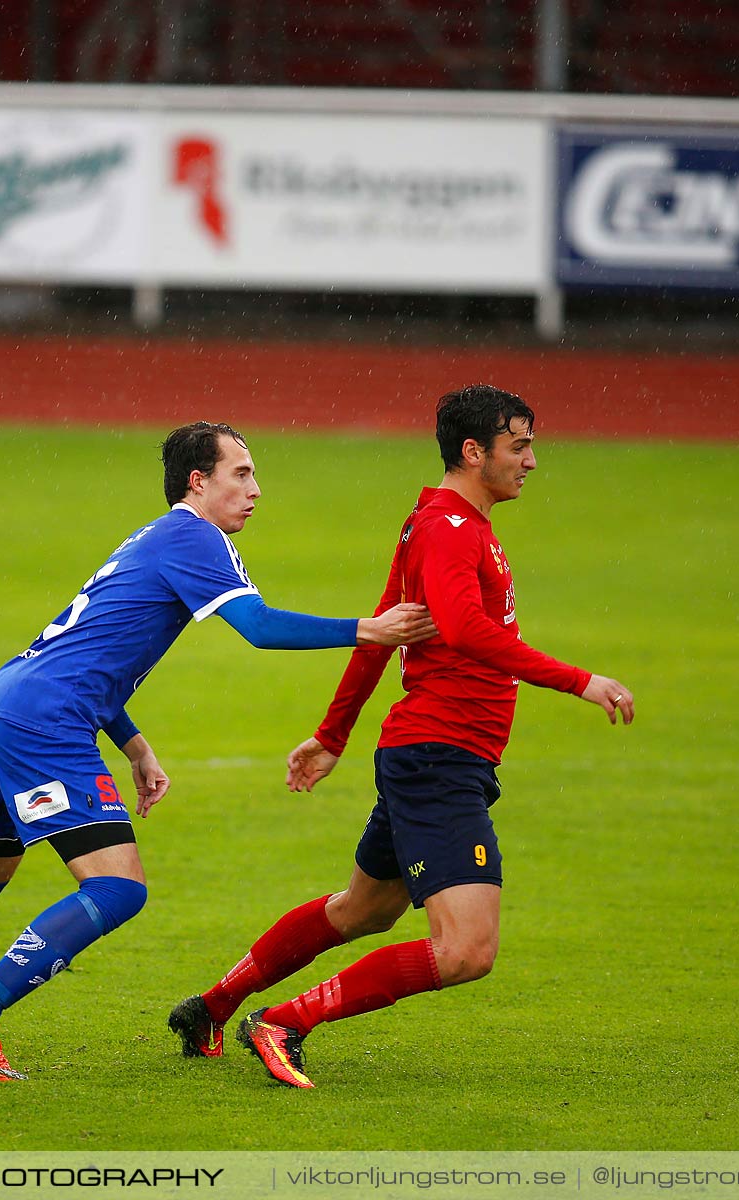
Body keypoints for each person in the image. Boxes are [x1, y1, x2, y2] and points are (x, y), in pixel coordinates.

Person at [0, 421, 436, 1081]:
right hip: (46, 722)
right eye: (242, 474)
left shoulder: (157, 536)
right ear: (199, 482)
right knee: (116, 888)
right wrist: (371, 629)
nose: (255, 490)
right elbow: (259, 627)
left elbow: (91, 654)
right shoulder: (197, 536)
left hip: (4, 705)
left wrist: (135, 748)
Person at [167, 386, 635, 1089]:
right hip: (440, 757)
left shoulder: (434, 523)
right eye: (520, 446)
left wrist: (332, 734)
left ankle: (210, 1008)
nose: (532, 461)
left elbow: (381, 630)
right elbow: (463, 629)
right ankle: (284, 1021)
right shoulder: (448, 529)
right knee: (467, 950)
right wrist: (578, 680)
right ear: (474, 452)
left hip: (428, 754)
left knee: (364, 908)